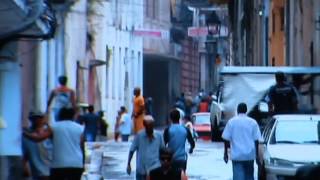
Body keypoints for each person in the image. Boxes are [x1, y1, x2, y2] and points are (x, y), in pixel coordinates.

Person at [24, 108, 84, 180]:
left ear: (60, 115)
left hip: (59, 165)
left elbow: (38, 138)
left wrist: (23, 133)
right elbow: (82, 146)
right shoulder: (80, 128)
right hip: (76, 164)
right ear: (73, 116)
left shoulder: (54, 127)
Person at [222, 103, 261, 180]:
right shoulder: (253, 122)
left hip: (237, 156)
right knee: (249, 176)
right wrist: (257, 155)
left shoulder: (231, 122)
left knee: (238, 177)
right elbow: (256, 140)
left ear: (237, 110)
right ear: (246, 110)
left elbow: (226, 138)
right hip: (249, 155)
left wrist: (226, 153)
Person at [126, 115, 164, 180]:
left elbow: (163, 150)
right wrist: (128, 163)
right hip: (142, 170)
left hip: (155, 168)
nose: (149, 127)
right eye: (147, 125)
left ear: (153, 125)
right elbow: (132, 150)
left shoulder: (159, 136)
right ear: (144, 125)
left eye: (151, 125)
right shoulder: (139, 136)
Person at [22, 111, 52, 180]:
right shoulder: (26, 136)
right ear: (31, 119)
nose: (38, 120)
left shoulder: (49, 133)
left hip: (51, 171)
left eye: (40, 118)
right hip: (37, 173)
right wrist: (24, 167)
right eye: (35, 118)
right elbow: (25, 154)